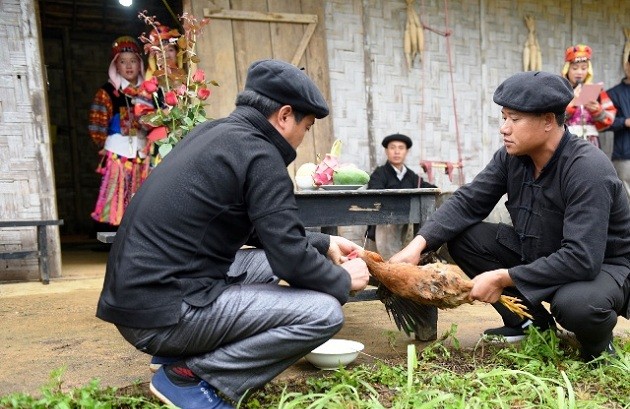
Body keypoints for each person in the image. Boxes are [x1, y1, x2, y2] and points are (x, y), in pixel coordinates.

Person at [96, 59, 370, 409]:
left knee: (267, 265)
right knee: (324, 313)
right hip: (160, 315)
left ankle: (179, 355)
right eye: (307, 125)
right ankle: (193, 378)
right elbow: (289, 258)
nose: (304, 137)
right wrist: (341, 279)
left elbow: (262, 231)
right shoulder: (261, 155)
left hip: (141, 297)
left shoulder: (214, 133)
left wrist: (325, 242)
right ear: (285, 116)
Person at [391, 71, 630, 361]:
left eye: (514, 119)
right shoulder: (511, 157)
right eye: (503, 117)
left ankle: (598, 346)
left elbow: (582, 258)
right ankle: (529, 323)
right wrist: (417, 245)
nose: (504, 128)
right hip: (541, 251)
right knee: (466, 238)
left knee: (577, 306)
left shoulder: (587, 168)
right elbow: (468, 201)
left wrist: (503, 277)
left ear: (547, 121)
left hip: (601, 267)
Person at [88, 36, 152, 227]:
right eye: (123, 62)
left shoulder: (149, 91)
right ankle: (117, 235)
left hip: (143, 151)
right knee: (117, 195)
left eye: (133, 60)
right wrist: (101, 144)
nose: (129, 66)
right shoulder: (107, 92)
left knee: (143, 194)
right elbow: (96, 123)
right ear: (115, 65)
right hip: (118, 151)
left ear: (140, 63)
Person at [365, 133, 436, 259]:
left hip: (407, 233)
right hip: (382, 233)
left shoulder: (413, 177)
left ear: (406, 152)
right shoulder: (379, 174)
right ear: (386, 151)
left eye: (401, 148)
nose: (396, 151)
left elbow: (430, 189)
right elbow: (375, 196)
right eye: (392, 147)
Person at [561, 44, 616, 148]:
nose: (579, 72)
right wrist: (571, 104)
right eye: (575, 68)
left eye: (584, 68)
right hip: (567, 143)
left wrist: (597, 111)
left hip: (592, 144)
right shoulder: (560, 90)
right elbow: (552, 119)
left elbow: (610, 119)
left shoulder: (597, 91)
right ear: (567, 69)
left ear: (588, 70)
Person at [606, 52, 630, 200]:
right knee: (625, 198)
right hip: (624, 156)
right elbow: (602, 123)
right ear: (627, 66)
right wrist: (624, 122)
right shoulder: (613, 94)